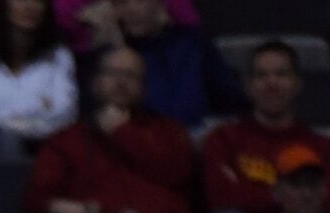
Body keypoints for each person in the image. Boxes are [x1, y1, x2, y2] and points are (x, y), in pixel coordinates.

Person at [23, 47, 198, 213]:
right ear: (95, 83)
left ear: (143, 87)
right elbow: (36, 197)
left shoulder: (168, 132)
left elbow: (177, 173)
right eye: (112, 73)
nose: (121, 82)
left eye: (131, 75)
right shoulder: (67, 139)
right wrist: (60, 207)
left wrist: (121, 133)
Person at [200, 39, 330, 213]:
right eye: (262, 75)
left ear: (297, 84)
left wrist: (258, 197)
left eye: (281, 74)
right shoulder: (223, 140)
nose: (271, 83)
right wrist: (293, 198)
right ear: (248, 86)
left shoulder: (324, 147)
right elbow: (221, 198)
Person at [0, 0, 76, 157]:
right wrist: (39, 105)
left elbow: (64, 120)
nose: (29, 6)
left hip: (46, 152)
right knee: (5, 142)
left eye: (38, 1)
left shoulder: (59, 57)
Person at [102, 0, 241, 130]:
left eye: (140, 1)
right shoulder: (109, 56)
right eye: (121, 2)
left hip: (198, 135)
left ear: (160, 4)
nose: (131, 10)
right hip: (141, 140)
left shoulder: (193, 43)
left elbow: (229, 97)